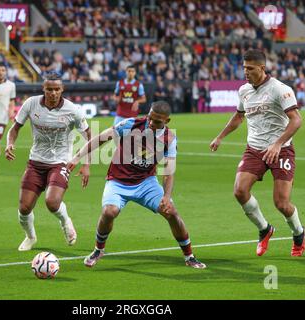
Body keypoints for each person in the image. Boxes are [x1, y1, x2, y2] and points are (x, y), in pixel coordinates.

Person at [67, 101, 206, 269]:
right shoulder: (132, 124)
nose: (151, 123)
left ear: (167, 121)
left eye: (157, 121)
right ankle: (98, 249)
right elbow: (102, 138)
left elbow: (169, 170)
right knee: (109, 212)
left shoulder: (169, 139)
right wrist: (77, 157)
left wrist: (167, 197)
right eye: (150, 118)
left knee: (172, 213)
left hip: (146, 183)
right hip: (118, 181)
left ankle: (189, 256)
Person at [209, 49, 305, 257]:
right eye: (244, 68)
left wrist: (278, 144)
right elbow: (238, 117)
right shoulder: (244, 90)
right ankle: (264, 229)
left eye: (250, 69)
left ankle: (298, 233)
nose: (246, 72)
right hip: (254, 149)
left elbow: (296, 120)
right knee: (239, 191)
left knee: (282, 203)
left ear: (262, 68)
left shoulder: (280, 89)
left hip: (281, 151)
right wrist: (220, 136)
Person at [5, 72, 91, 251]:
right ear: (43, 88)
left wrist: (86, 164)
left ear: (62, 89)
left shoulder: (72, 110)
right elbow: (14, 129)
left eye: (56, 89)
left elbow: (88, 136)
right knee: (24, 207)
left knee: (52, 202)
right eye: (49, 89)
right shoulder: (31, 104)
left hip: (60, 162)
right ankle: (30, 237)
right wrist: (10, 144)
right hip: (35, 162)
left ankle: (65, 222)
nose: (53, 93)